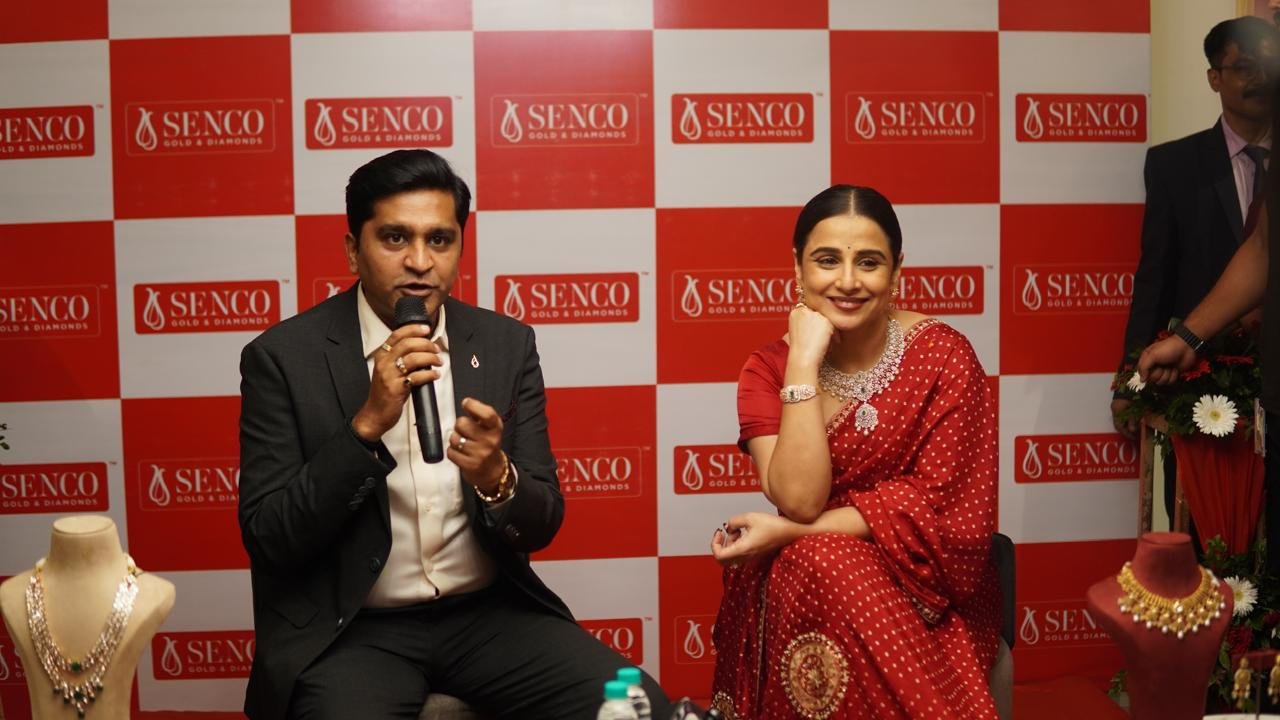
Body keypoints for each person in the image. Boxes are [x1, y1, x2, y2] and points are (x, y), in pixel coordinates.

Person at [237, 149, 668, 719]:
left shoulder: (505, 344)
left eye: (439, 240)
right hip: (355, 630)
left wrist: (496, 476)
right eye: (395, 238)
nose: (420, 262)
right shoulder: (283, 358)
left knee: (638, 706)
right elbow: (270, 536)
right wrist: (366, 427)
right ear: (353, 250)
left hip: (489, 617)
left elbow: (542, 522)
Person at [707, 186, 1000, 719]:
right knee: (819, 563)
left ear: (897, 269)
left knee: (819, 557)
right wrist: (802, 364)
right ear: (797, 267)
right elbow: (800, 499)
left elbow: (944, 512)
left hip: (924, 588)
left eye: (868, 262)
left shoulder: (944, 356)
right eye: (827, 260)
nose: (847, 281)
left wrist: (795, 535)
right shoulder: (767, 370)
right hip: (806, 581)